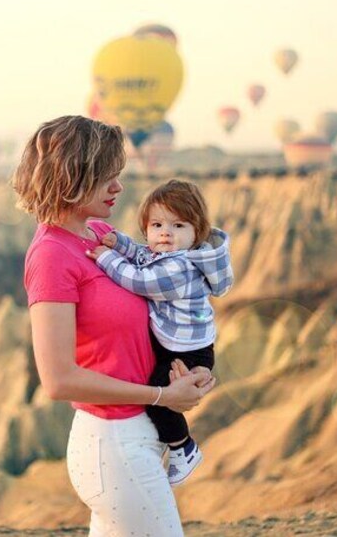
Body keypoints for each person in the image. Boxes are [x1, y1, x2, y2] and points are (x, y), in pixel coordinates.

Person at [12, 115, 216, 537]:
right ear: (72, 176)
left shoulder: (100, 234)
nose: (118, 188)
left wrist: (191, 368)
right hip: (112, 443)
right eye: (107, 177)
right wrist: (162, 395)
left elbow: (164, 298)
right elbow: (58, 380)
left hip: (139, 435)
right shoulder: (51, 255)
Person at [85, 180, 233, 486]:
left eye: (178, 225)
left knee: (160, 393)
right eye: (156, 224)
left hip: (187, 351)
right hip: (178, 342)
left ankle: (183, 447)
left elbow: (140, 280)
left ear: (197, 234)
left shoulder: (179, 268)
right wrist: (120, 244)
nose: (166, 232)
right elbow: (142, 254)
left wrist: (106, 258)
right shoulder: (164, 253)